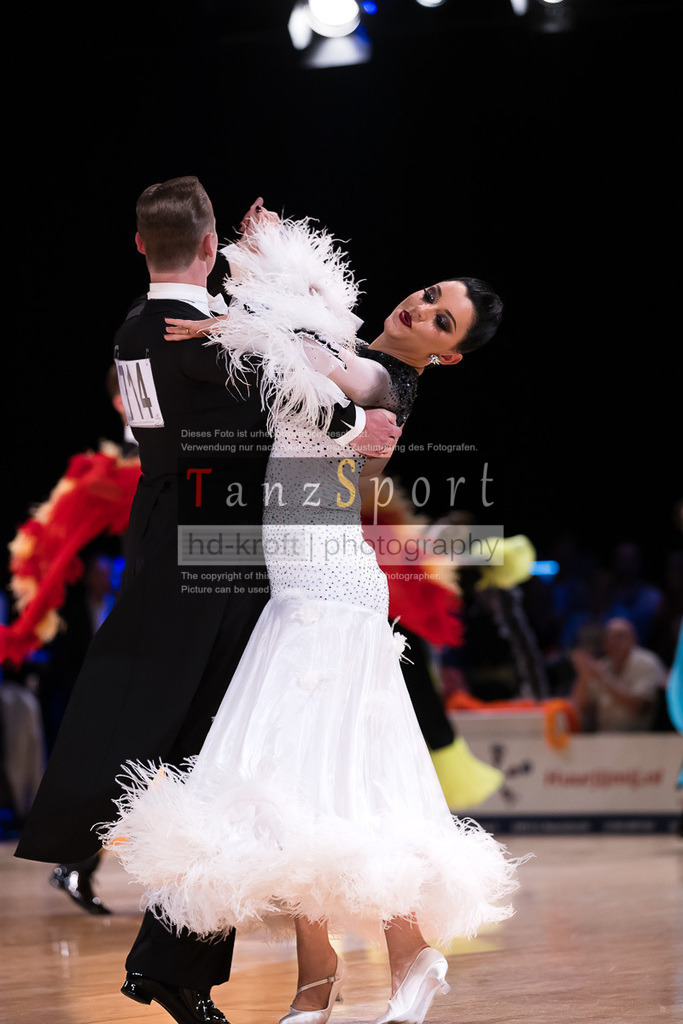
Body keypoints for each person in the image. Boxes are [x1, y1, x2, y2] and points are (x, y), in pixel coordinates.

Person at [101, 209, 522, 1024]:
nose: (420, 308)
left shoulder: (384, 386)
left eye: (441, 319)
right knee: (313, 795)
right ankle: (340, 977)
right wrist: (266, 253)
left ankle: (354, 974)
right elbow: (313, 329)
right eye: (429, 294)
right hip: (305, 588)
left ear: (448, 353)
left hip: (327, 593)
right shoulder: (356, 351)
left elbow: (309, 355)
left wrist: (250, 315)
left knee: (321, 791)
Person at [14, 179, 401, 1024]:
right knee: (219, 757)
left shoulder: (135, 327)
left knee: (193, 750)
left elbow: (255, 349)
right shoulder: (211, 335)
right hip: (220, 552)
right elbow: (291, 378)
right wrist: (356, 430)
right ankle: (151, 934)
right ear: (207, 244)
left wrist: (253, 265)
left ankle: (159, 945)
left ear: (139, 246)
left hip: (162, 540)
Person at [571, 616, 668, 731]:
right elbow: (578, 707)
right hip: (603, 740)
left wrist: (603, 679)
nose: (613, 642)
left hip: (640, 740)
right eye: (609, 637)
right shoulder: (603, 665)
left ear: (634, 640)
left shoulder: (647, 662)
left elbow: (639, 707)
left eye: (619, 636)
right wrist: (583, 675)